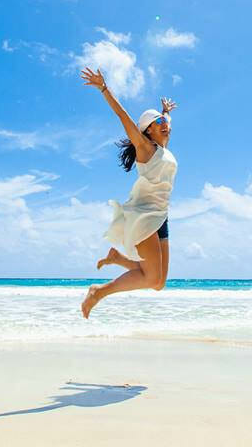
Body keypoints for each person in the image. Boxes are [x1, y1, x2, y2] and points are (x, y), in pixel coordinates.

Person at [78, 66, 178, 318]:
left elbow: (166, 122)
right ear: (147, 131)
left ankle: (117, 258)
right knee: (152, 276)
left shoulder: (165, 149)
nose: (164, 125)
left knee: (158, 282)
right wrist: (104, 88)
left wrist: (165, 112)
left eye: (164, 122)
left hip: (161, 215)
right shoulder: (145, 148)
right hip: (145, 215)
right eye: (158, 123)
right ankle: (98, 292)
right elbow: (123, 116)